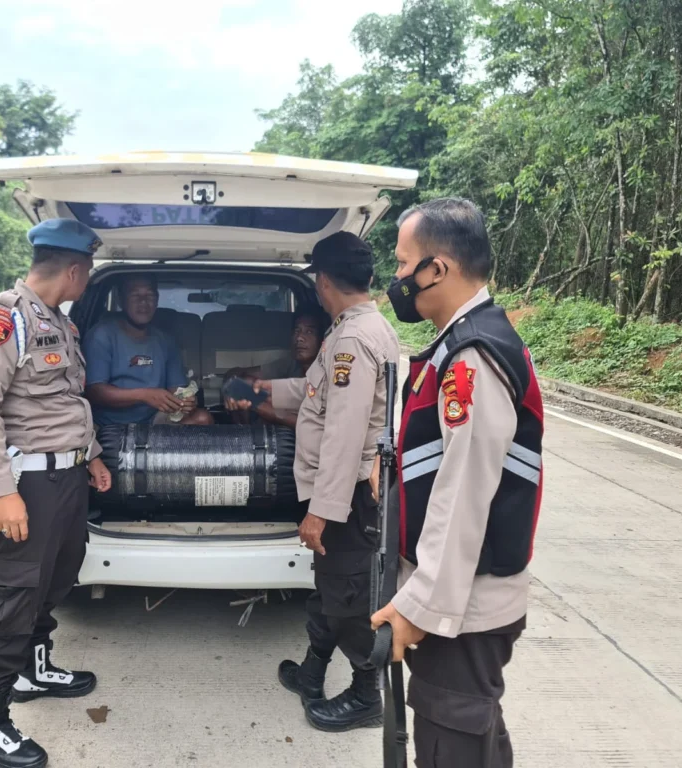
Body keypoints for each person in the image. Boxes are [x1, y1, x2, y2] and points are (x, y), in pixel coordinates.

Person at [370, 198, 544, 768]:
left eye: (403, 264)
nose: (397, 278)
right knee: (475, 738)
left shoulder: (472, 356)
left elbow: (464, 490)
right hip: (460, 600)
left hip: (463, 609)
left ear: (437, 269)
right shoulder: (463, 341)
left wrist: (418, 607)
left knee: (452, 741)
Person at [0, 218, 113, 768]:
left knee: (57, 575)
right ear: (74, 270)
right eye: (87, 270)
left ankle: (33, 669)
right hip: (25, 483)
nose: (87, 280)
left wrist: (92, 454)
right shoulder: (2, 319)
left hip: (66, 477)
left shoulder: (58, 323)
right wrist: (0, 491)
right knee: (13, 595)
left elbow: (66, 401)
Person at [232, 231, 400, 731]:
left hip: (350, 496)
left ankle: (366, 695)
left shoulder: (351, 339)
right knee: (329, 590)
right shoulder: (361, 328)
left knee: (349, 598)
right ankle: (312, 671)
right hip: (348, 492)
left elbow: (345, 435)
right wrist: (263, 388)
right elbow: (317, 391)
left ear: (324, 281)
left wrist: (321, 513)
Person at [83, 275, 214, 426]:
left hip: (154, 421)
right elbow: (94, 391)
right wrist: (144, 395)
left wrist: (186, 400)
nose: (143, 302)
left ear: (157, 300)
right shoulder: (101, 335)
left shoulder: (166, 341)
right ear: (121, 300)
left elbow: (176, 389)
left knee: (202, 418)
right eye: (135, 295)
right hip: (109, 425)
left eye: (150, 295)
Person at [223, 305, 329, 428]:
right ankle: (244, 434)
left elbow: (313, 425)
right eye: (296, 331)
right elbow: (238, 373)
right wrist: (232, 387)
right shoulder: (291, 363)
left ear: (323, 340)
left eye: (309, 332)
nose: (299, 338)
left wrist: (255, 404)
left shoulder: (329, 370)